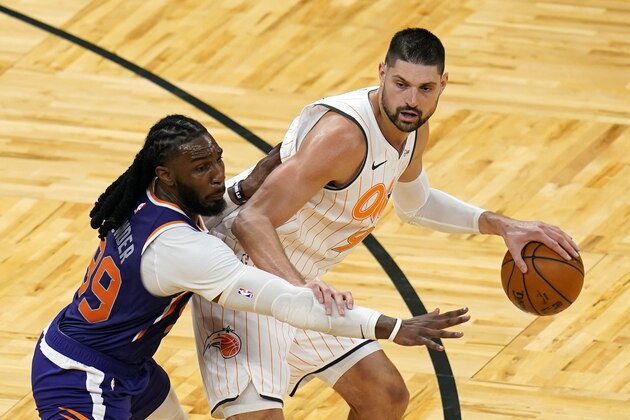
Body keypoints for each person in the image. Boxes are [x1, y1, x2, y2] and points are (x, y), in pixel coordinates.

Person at [192, 28, 580, 419]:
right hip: (244, 276)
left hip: (300, 281)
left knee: (385, 396)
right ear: (382, 73)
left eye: (426, 88)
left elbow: (418, 204)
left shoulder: (411, 128)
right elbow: (251, 221)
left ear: (443, 84)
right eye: (401, 84)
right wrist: (303, 293)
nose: (412, 100)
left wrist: (503, 226)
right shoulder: (344, 137)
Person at [30, 114, 471, 420]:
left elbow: (236, 190)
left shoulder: (147, 196)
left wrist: (301, 143)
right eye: (202, 169)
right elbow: (287, 304)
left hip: (131, 367)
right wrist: (392, 328)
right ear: (166, 174)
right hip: (78, 377)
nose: (218, 174)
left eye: (217, 159)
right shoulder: (182, 248)